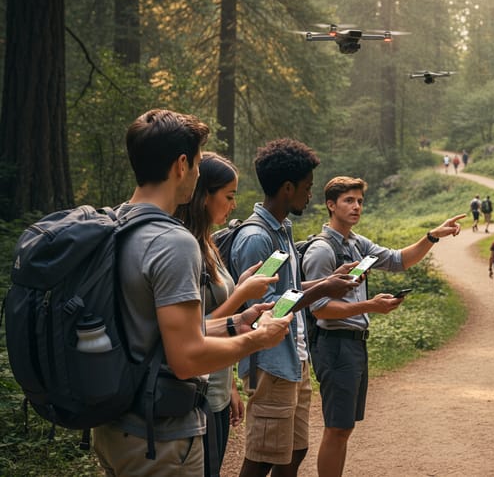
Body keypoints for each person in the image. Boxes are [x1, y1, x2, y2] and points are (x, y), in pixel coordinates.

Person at [92, 109, 292, 477]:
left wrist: (235, 323)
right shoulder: (173, 242)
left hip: (112, 426)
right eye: (199, 164)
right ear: (181, 165)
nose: (198, 173)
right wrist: (259, 339)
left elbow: (159, 334)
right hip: (160, 437)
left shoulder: (113, 224)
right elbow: (186, 358)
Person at [302, 176, 465, 477]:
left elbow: (398, 260)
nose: (356, 207)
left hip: (353, 344)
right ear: (330, 205)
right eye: (348, 201)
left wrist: (432, 236)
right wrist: (369, 306)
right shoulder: (322, 250)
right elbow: (319, 308)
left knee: (344, 427)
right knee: (336, 428)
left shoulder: (356, 243)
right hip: (335, 344)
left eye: (360, 201)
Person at [229, 140, 359, 477]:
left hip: (292, 357)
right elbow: (263, 312)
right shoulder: (257, 238)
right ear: (287, 188)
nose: (310, 195)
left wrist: (325, 282)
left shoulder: (282, 230)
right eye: (306, 188)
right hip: (269, 364)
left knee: (294, 451)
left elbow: (287, 291)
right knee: (261, 457)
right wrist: (325, 289)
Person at [174, 153, 280, 477]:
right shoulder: (184, 247)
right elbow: (191, 330)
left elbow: (214, 321)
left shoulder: (207, 243)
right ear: (204, 194)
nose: (234, 205)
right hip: (196, 393)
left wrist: (231, 382)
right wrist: (241, 296)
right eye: (229, 196)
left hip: (217, 387)